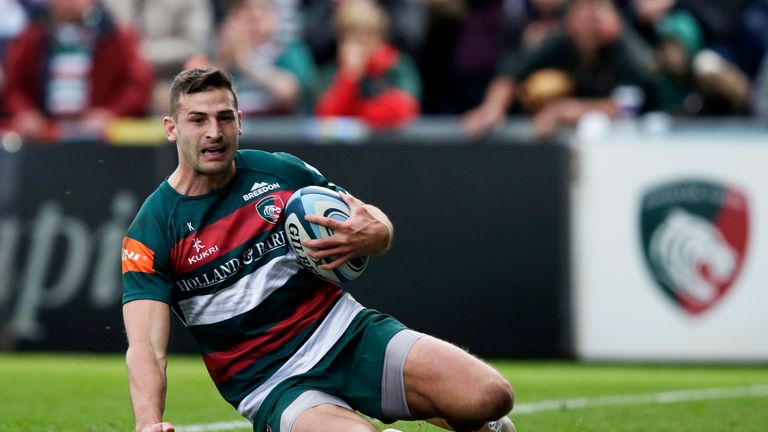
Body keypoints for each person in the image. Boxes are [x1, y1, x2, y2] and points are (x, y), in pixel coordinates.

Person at [121, 66, 515, 432]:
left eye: (224, 117)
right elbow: (146, 348)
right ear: (172, 128)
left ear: (240, 121)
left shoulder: (279, 172)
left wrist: (374, 234)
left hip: (348, 333)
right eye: (198, 120)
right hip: (272, 385)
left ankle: (476, 423)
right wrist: (148, 422)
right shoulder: (152, 230)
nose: (214, 132)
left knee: (492, 397)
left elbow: (367, 217)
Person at [461, 0, 657, 138]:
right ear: (571, 18)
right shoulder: (561, 41)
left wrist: (569, 110)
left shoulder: (627, 50)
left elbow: (628, 105)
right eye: (584, 10)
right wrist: (493, 106)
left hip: (635, 139)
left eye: (597, 10)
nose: (591, 19)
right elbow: (513, 70)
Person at [2, 0, 153, 140]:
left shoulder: (115, 33)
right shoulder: (33, 34)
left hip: (99, 139)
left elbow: (138, 84)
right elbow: (13, 83)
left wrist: (112, 113)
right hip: (45, 136)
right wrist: (25, 112)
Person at [190, 0, 315, 116]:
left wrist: (245, 62)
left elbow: (289, 94)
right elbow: (198, 97)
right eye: (244, 10)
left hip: (279, 132)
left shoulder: (287, 51)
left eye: (262, 9)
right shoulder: (220, 54)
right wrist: (224, 62)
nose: (255, 16)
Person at [314, 0, 421, 130]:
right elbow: (326, 119)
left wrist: (355, 117)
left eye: (368, 36)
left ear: (380, 36)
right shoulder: (331, 72)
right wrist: (349, 77)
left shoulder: (396, 66)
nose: (362, 47)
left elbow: (403, 109)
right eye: (354, 39)